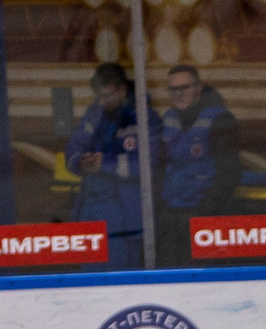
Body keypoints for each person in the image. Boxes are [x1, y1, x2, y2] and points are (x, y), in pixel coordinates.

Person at [152, 64, 242, 267]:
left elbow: (229, 172)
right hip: (170, 215)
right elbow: (159, 167)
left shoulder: (220, 120)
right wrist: (160, 204)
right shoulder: (168, 119)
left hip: (205, 216)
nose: (178, 94)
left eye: (184, 88)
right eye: (173, 89)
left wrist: (205, 211)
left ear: (198, 87)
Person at [65, 62, 145, 269]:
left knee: (121, 277)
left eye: (107, 96)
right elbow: (73, 149)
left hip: (123, 211)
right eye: (98, 96)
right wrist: (80, 161)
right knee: (88, 276)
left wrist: (105, 163)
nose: (102, 101)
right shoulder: (94, 113)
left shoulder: (143, 117)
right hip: (89, 208)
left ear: (122, 90)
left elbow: (148, 164)